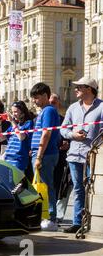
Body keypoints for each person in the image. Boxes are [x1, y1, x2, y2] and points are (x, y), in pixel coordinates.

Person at [60, 77, 103, 234]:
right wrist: (73, 135)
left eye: (79, 87)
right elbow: (63, 129)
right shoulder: (72, 108)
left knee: (94, 189)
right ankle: (77, 222)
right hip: (74, 155)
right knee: (78, 189)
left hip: (94, 156)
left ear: (89, 89)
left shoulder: (101, 107)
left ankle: (94, 221)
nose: (75, 89)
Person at [30, 82, 61, 231]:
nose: (34, 101)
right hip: (42, 153)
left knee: (46, 186)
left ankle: (50, 218)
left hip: (45, 155)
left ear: (44, 96)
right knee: (41, 186)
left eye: (36, 97)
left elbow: (46, 133)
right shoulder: (44, 111)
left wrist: (39, 156)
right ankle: (44, 216)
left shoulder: (48, 110)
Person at [50, 93, 72, 223]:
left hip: (60, 158)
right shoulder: (39, 119)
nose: (53, 104)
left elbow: (68, 136)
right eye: (51, 102)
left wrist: (67, 144)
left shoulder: (63, 119)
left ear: (58, 104)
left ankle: (57, 215)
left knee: (59, 186)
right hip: (46, 157)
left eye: (55, 102)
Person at [0, 101, 34, 172]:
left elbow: (21, 137)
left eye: (16, 112)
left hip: (18, 160)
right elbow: (0, 138)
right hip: (7, 159)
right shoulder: (14, 125)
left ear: (23, 112)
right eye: (12, 112)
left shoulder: (28, 123)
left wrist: (12, 121)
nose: (13, 114)